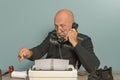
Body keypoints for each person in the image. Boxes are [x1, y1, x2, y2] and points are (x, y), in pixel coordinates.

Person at [18, 9, 100, 73]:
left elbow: (93, 67)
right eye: (56, 26)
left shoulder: (85, 40)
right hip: (48, 75)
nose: (58, 30)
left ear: (73, 25)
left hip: (68, 76)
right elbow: (39, 51)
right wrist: (29, 53)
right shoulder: (52, 35)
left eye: (62, 26)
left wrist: (75, 43)